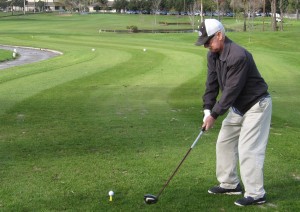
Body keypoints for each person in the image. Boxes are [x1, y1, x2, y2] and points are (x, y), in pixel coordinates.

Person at [195, 19, 272, 207]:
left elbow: (231, 90)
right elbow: (211, 85)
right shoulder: (213, 56)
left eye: (208, 41)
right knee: (224, 142)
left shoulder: (239, 56)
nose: (206, 46)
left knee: (248, 149)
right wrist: (207, 110)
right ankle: (230, 184)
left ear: (220, 35)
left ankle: (256, 194)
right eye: (204, 42)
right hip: (238, 107)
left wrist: (214, 115)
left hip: (256, 105)